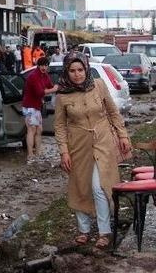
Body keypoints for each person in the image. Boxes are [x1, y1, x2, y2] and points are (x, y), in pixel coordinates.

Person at [54, 53, 130, 248]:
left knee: (99, 187)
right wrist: (64, 152)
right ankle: (84, 230)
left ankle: (104, 231)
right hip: (77, 146)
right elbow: (60, 126)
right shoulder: (62, 96)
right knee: (81, 186)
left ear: (86, 69)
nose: (77, 74)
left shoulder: (99, 85)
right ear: (66, 72)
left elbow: (113, 112)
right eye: (72, 71)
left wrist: (122, 135)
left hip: (103, 141)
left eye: (80, 70)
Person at [22, 57, 57, 161]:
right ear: (38, 65)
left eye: (46, 65)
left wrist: (56, 87)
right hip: (29, 107)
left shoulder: (44, 75)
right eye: (42, 65)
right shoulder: (34, 76)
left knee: (39, 130)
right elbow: (39, 92)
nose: (44, 67)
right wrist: (53, 89)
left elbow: (49, 85)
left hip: (36, 107)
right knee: (31, 130)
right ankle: (30, 154)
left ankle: (37, 153)